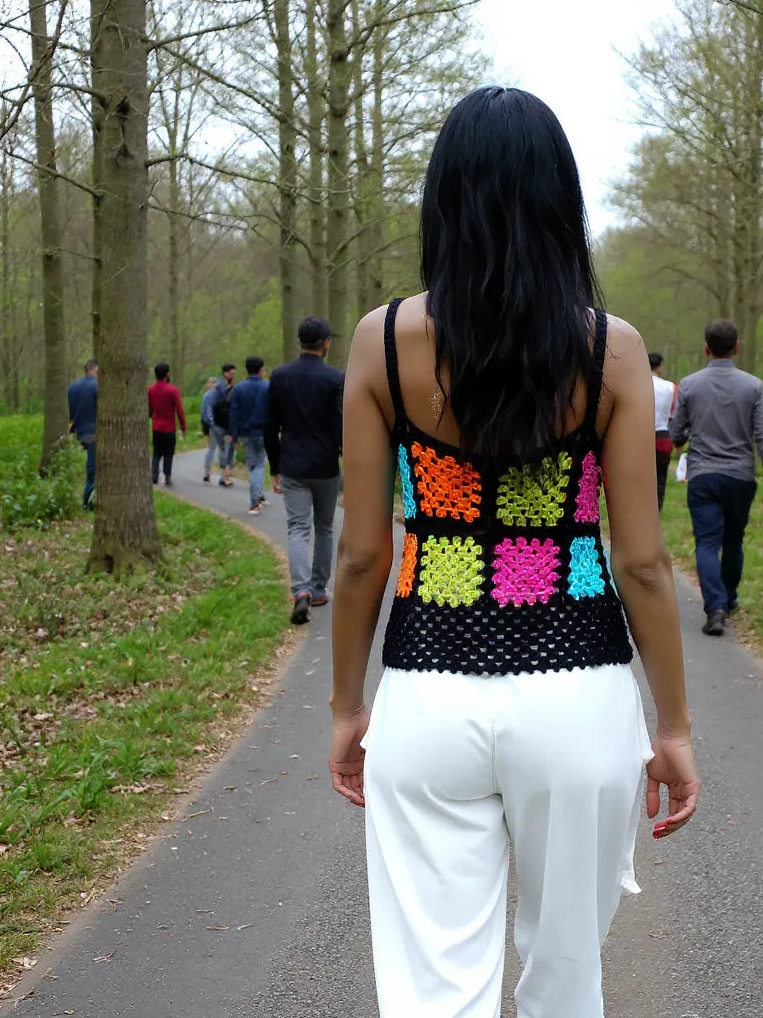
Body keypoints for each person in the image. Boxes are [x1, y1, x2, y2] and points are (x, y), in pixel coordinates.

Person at [327, 88, 699, 1018]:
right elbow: (643, 563)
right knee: (567, 977)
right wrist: (674, 727)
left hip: (428, 692)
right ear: (561, 204)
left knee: (431, 988)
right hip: (579, 696)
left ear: (442, 202)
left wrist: (347, 707)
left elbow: (363, 558)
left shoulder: (381, 342)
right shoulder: (612, 352)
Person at [669, 318, 763, 636]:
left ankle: (715, 608)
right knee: (734, 540)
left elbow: (677, 431)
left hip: (703, 476)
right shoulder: (754, 386)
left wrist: (681, 439)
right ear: (737, 348)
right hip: (740, 477)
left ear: (706, 348)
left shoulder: (689, 385)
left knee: (706, 543)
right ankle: (728, 599)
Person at [264, 317, 345, 625]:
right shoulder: (335, 379)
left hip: (292, 465)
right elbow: (341, 424)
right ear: (325, 344)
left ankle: (301, 591)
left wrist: (275, 466)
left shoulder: (280, 376)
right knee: (324, 527)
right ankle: (319, 589)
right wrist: (345, 456)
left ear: (300, 342)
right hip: (326, 466)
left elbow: (270, 426)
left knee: (297, 528)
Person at [229, 355, 270, 515]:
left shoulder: (238, 388)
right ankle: (255, 500)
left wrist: (234, 435)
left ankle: (258, 495)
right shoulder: (267, 387)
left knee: (253, 465)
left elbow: (234, 414)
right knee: (259, 464)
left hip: (246, 433)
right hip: (264, 432)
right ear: (261, 369)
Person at [148, 362, 186, 487]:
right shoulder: (173, 390)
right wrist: (183, 427)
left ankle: (154, 476)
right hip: (169, 427)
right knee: (168, 453)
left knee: (156, 452)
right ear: (167, 374)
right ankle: (167, 476)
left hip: (156, 427)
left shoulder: (150, 390)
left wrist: (152, 415)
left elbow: (149, 408)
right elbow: (180, 411)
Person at [67, 358, 98, 509]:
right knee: (92, 467)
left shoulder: (72, 387)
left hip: (80, 431)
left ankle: (90, 497)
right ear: (96, 369)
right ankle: (88, 499)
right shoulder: (97, 387)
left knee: (93, 464)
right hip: (94, 432)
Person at [649, 351, 679, 511]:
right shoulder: (671, 387)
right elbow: (674, 415)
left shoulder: (634, 385)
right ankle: (656, 510)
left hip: (638, 437)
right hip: (662, 436)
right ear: (660, 367)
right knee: (660, 477)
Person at [210, 363, 237, 486]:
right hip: (221, 423)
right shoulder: (220, 388)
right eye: (231, 373)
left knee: (227, 449)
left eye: (234, 373)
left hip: (225, 423)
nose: (233, 375)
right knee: (225, 449)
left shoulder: (224, 387)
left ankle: (225, 475)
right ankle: (225, 475)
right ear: (225, 373)